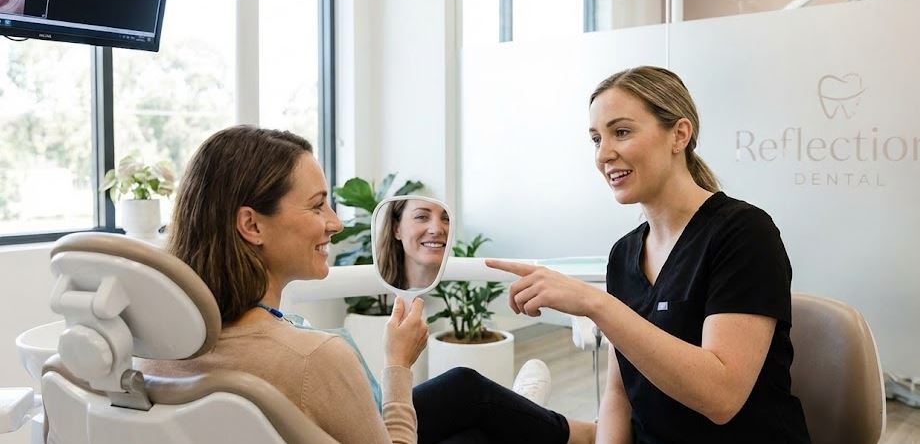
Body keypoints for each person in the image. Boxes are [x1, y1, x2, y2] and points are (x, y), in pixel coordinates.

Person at [138, 125, 595, 444]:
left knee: (460, 388)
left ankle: (569, 430)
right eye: (318, 207)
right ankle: (542, 422)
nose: (335, 223)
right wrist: (398, 365)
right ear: (252, 225)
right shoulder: (312, 359)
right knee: (479, 435)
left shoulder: (153, 346)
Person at [487, 66, 812, 443]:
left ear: (679, 134)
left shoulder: (744, 234)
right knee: (469, 402)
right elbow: (619, 395)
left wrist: (596, 304)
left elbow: (721, 396)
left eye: (621, 132)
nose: (603, 154)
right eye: (596, 139)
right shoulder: (624, 254)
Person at [376, 198, 449, 290]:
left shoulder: (464, 292)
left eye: (446, 218)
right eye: (421, 217)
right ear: (396, 229)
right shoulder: (373, 294)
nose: (437, 230)